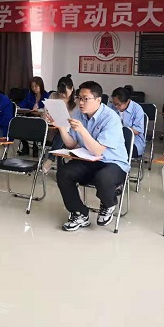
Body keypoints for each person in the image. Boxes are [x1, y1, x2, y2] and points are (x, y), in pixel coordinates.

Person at [51, 81, 130, 232]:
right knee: (64, 173)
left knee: (103, 178)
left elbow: (98, 150)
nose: (81, 102)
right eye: (79, 98)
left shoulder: (111, 118)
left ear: (98, 100)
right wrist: (61, 127)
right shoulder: (78, 114)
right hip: (89, 160)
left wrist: (82, 130)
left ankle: (108, 203)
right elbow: (71, 144)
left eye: (85, 99)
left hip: (113, 162)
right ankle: (79, 212)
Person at [42, 74, 76, 174]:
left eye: (65, 93)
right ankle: (56, 164)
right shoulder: (53, 96)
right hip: (52, 128)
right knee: (60, 132)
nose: (63, 96)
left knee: (62, 132)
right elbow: (45, 112)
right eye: (60, 93)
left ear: (72, 89)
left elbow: (76, 120)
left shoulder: (77, 101)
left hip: (69, 132)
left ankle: (50, 159)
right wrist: (46, 116)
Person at [18, 76, 50, 156]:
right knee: (19, 124)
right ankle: (25, 146)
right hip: (30, 115)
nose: (34, 88)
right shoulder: (30, 95)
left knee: (36, 126)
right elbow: (24, 103)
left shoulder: (46, 95)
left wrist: (38, 107)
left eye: (36, 86)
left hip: (40, 118)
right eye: (32, 86)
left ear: (41, 86)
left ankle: (36, 146)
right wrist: (18, 106)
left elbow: (47, 108)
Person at [111, 86, 146, 159]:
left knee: (120, 150)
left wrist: (122, 130)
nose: (116, 106)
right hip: (113, 139)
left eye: (119, 104)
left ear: (127, 101)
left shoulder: (137, 109)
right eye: (114, 103)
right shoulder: (110, 107)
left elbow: (138, 130)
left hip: (133, 141)